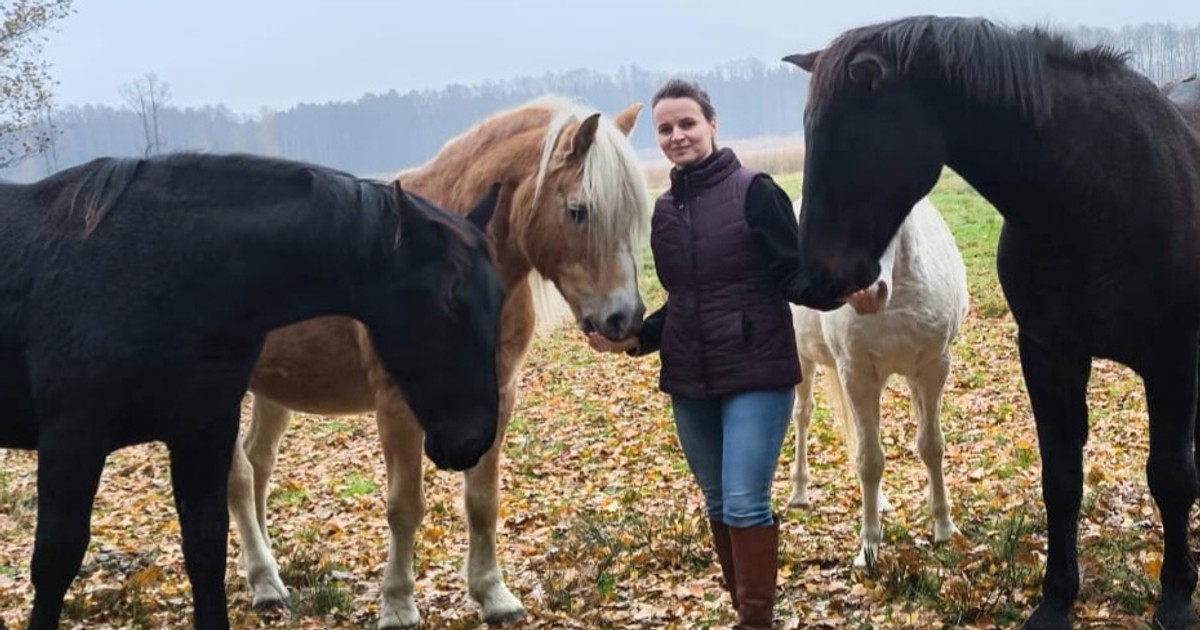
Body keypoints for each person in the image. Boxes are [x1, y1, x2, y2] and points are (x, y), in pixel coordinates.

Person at [588, 78, 875, 629]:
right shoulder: (665, 212)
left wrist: (839, 289)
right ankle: (746, 611)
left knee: (745, 502)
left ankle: (755, 623)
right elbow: (682, 302)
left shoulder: (755, 190)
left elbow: (792, 274)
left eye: (687, 123)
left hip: (756, 373)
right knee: (719, 505)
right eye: (665, 129)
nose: (677, 136)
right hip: (690, 381)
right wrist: (634, 339)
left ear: (712, 125)